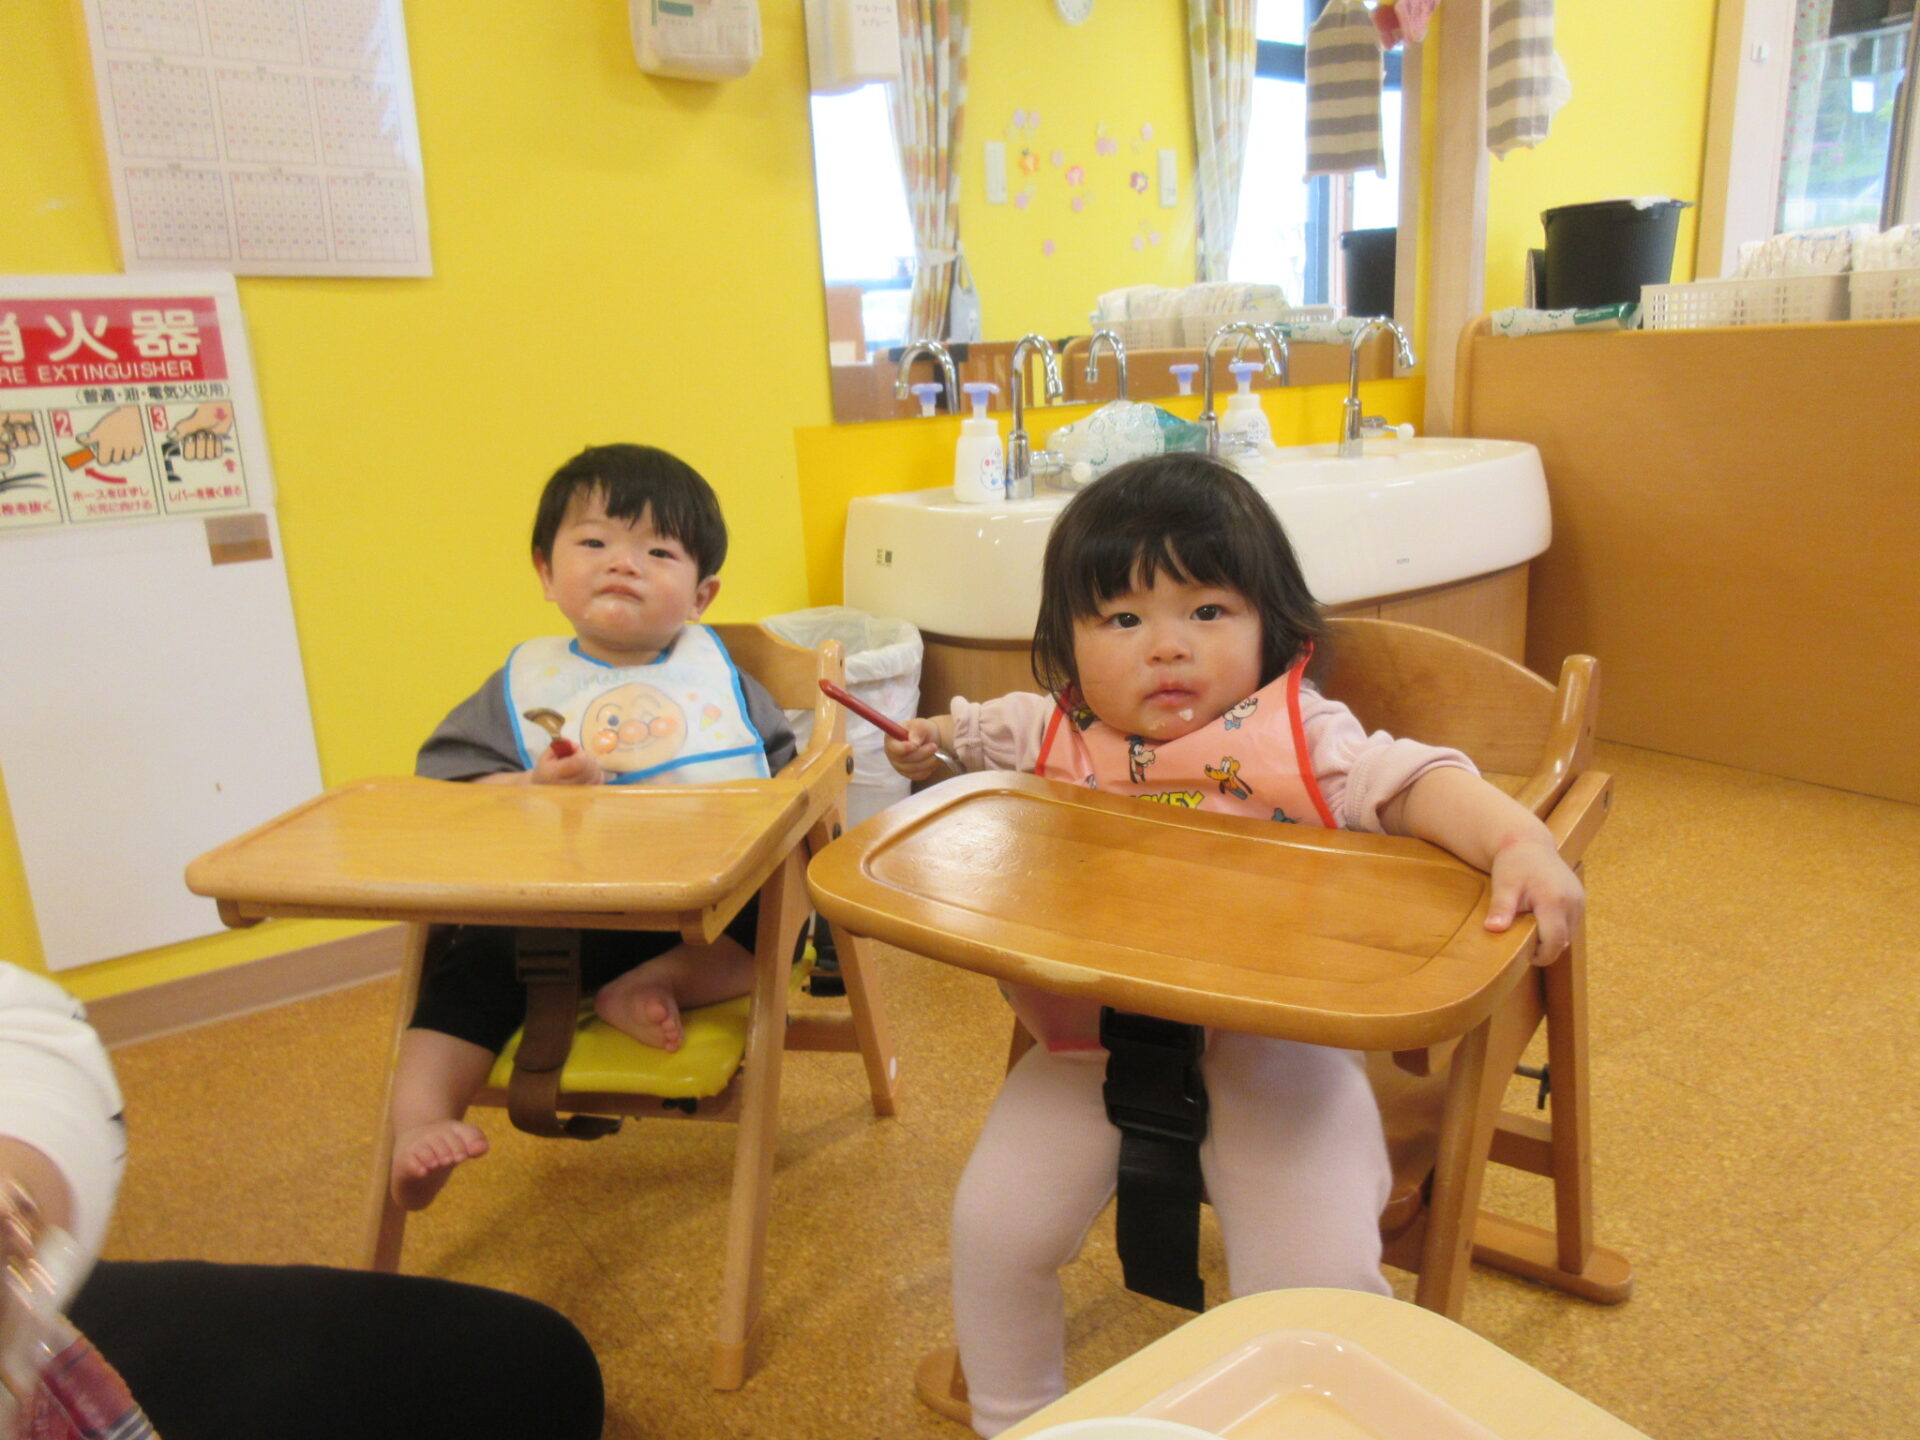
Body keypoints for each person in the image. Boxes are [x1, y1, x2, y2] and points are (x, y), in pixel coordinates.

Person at [884, 454, 1585, 1437]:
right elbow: (968, 739)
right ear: (1066, 644)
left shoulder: (1302, 738)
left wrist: (1517, 843)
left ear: (1273, 626)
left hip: (1279, 1053)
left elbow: (1418, 781)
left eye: (1207, 611)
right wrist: (928, 741)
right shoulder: (1049, 731)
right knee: (992, 1230)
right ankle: (1015, 1418)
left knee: (1314, 1280)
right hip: (1086, 1049)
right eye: (1121, 620)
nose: (1166, 647)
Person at [394, 443, 796, 1210]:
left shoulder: (723, 684)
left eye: (658, 551)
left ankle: (656, 982)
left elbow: (789, 794)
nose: (623, 562)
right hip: (553, 915)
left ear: (702, 594)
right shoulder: (520, 690)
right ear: (546, 572)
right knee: (468, 973)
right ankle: (419, 1125)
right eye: (594, 541)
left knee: (782, 923)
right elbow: (446, 795)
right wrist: (532, 787)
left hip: (699, 914)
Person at [0, 961, 603, 1440]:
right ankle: (421, 1121)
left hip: (40, 1313)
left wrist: (22, 1203)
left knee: (533, 1371)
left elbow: (25, 1033)